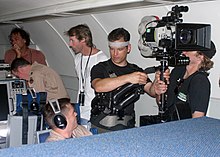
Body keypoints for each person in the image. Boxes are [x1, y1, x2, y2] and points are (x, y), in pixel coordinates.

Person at [90, 27, 168, 133]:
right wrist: (128, 78)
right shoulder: (100, 68)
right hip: (102, 127)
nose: (115, 53)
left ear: (128, 48)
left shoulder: (135, 70)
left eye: (120, 49)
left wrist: (157, 80)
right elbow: (98, 86)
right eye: (112, 49)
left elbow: (151, 90)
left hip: (127, 128)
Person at [65, 24, 108, 121]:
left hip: (94, 113)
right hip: (80, 111)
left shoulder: (101, 59)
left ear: (83, 39)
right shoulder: (77, 58)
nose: (70, 44)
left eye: (72, 40)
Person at [165, 41, 216, 121]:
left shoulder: (200, 81)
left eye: (189, 50)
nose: (183, 52)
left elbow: (197, 119)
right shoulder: (177, 71)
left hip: (183, 129)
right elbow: (165, 104)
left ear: (200, 56)